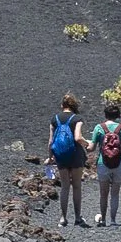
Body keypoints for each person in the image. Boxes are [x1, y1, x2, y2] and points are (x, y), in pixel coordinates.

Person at [49, 92, 89, 227]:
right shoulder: (77, 118)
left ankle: (63, 218)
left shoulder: (55, 119)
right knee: (77, 186)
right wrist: (87, 143)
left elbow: (50, 141)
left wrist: (50, 158)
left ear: (62, 105)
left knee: (65, 187)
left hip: (61, 155)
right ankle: (78, 217)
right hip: (76, 154)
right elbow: (78, 137)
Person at [91, 109, 121, 226]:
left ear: (105, 115)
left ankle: (103, 220)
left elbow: (91, 148)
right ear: (118, 115)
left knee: (103, 193)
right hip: (119, 163)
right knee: (115, 193)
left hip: (103, 163)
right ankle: (113, 220)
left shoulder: (99, 128)